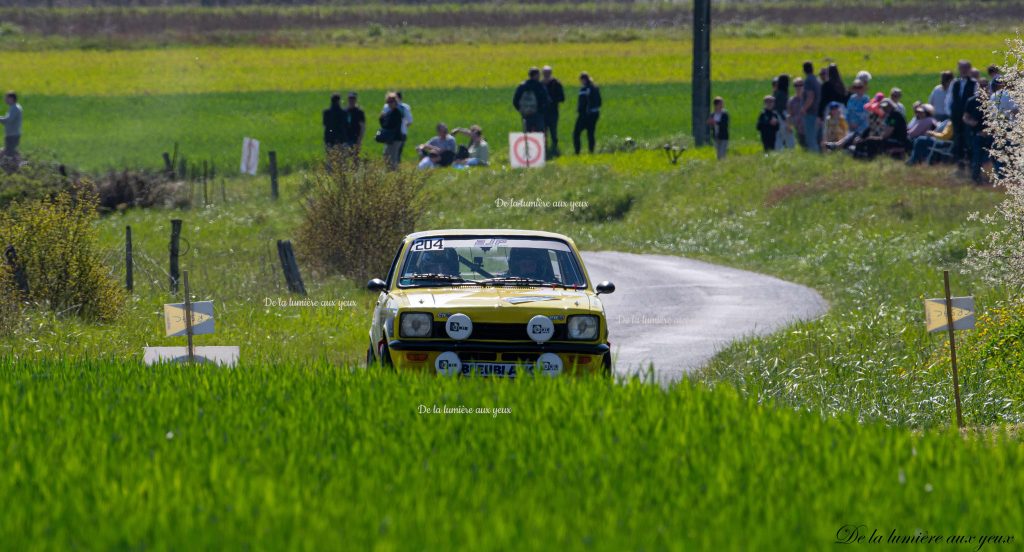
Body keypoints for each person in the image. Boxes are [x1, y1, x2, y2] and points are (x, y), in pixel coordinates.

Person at [946, 60, 977, 169]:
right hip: (956, 115)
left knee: (967, 138)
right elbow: (949, 99)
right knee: (957, 137)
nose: (963, 70)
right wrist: (950, 112)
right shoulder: (955, 83)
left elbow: (975, 101)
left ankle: (969, 160)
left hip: (967, 116)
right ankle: (959, 160)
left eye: (965, 68)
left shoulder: (974, 83)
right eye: (961, 68)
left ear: (969, 69)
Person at [513, 67, 551, 134]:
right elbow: (546, 100)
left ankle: (527, 145)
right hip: (538, 113)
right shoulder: (539, 86)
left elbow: (515, 100)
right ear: (536, 75)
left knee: (527, 134)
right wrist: (542, 110)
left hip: (526, 114)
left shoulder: (522, 85)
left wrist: (521, 110)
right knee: (539, 134)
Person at [963, 88, 990, 183]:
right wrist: (971, 122)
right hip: (976, 133)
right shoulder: (971, 101)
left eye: (985, 86)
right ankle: (976, 178)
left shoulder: (993, 100)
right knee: (976, 156)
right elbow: (965, 116)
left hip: (990, 134)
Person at [573, 71, 601, 155]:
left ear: (583, 79)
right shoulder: (595, 87)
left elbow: (582, 102)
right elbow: (599, 102)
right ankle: (591, 151)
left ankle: (577, 152)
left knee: (576, 133)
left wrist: (579, 111)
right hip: (595, 113)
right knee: (591, 133)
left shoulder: (584, 89)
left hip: (585, 114)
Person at [541, 65, 565, 157]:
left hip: (553, 112)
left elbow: (562, 98)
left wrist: (552, 100)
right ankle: (545, 150)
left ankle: (554, 148)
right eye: (545, 73)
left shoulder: (556, 83)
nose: (546, 74)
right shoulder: (540, 84)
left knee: (553, 132)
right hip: (543, 113)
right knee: (543, 132)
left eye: (548, 73)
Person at [800, 61, 822, 153]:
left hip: (811, 112)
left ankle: (815, 159)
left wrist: (803, 108)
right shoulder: (817, 80)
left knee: (811, 139)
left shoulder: (808, 81)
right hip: (818, 112)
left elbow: (810, 96)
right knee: (818, 138)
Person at [379, 92, 404, 169]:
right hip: (389, 139)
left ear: (395, 102)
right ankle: (389, 171)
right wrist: (381, 118)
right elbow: (384, 125)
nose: (389, 104)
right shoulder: (389, 112)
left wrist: (383, 118)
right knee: (385, 155)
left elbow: (390, 125)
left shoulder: (397, 112)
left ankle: (394, 174)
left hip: (395, 139)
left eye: (391, 102)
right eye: (388, 102)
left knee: (393, 158)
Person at [772, 74, 793, 149]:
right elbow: (780, 109)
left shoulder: (777, 93)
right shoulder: (782, 94)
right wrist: (786, 121)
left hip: (777, 117)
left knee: (779, 138)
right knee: (789, 138)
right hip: (782, 116)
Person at [1, 92, 22, 159]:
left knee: (9, 152)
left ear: (11, 98)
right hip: (11, 134)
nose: (5, 100)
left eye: (6, 98)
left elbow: (8, 120)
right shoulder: (13, 107)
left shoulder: (15, 108)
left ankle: (20, 164)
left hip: (12, 135)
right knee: (10, 151)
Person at [788, 78, 805, 148]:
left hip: (809, 126)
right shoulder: (792, 100)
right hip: (798, 128)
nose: (798, 87)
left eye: (800, 85)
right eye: (796, 85)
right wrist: (789, 125)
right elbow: (790, 114)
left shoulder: (807, 99)